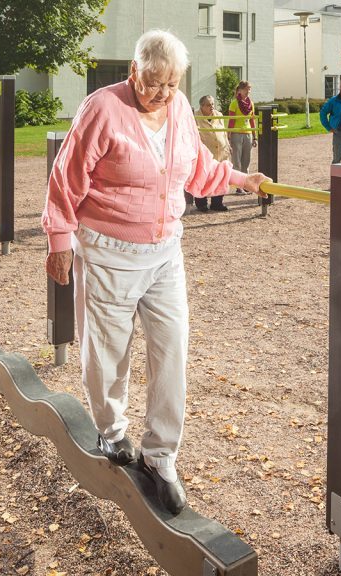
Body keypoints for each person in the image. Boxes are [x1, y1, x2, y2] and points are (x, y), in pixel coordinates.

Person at [42, 30, 270, 515]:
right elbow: (66, 177)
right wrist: (59, 239)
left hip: (165, 252)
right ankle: (112, 430)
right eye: (152, 83)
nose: (162, 94)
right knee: (107, 352)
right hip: (108, 251)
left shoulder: (181, 108)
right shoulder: (102, 109)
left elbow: (198, 167)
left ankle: (161, 454)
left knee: (172, 347)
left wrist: (243, 180)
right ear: (133, 71)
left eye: (171, 84)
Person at [194, 95, 232, 212]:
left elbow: (223, 131)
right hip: (205, 153)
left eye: (213, 104)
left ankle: (217, 203)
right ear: (202, 106)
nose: (212, 107)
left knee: (221, 176)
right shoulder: (195, 116)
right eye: (208, 105)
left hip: (221, 152)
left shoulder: (218, 115)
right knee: (203, 178)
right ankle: (201, 204)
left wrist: (228, 144)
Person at [226, 80, 257, 195]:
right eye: (246, 89)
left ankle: (246, 184)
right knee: (237, 161)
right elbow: (231, 121)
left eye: (249, 89)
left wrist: (255, 137)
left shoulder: (251, 103)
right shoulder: (234, 103)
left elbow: (252, 120)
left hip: (248, 134)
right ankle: (238, 187)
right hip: (236, 134)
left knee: (246, 161)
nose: (248, 91)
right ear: (239, 90)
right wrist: (229, 136)